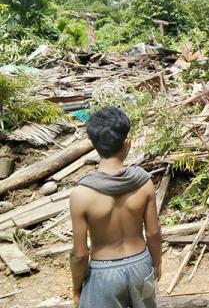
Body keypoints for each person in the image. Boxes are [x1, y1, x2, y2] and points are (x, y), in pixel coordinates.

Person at [70, 106, 161, 308]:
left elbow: (80, 253)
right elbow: (153, 233)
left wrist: (77, 289)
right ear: (126, 143)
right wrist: (157, 263)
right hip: (140, 265)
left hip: (104, 274)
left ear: (94, 144)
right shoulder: (144, 183)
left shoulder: (81, 194)